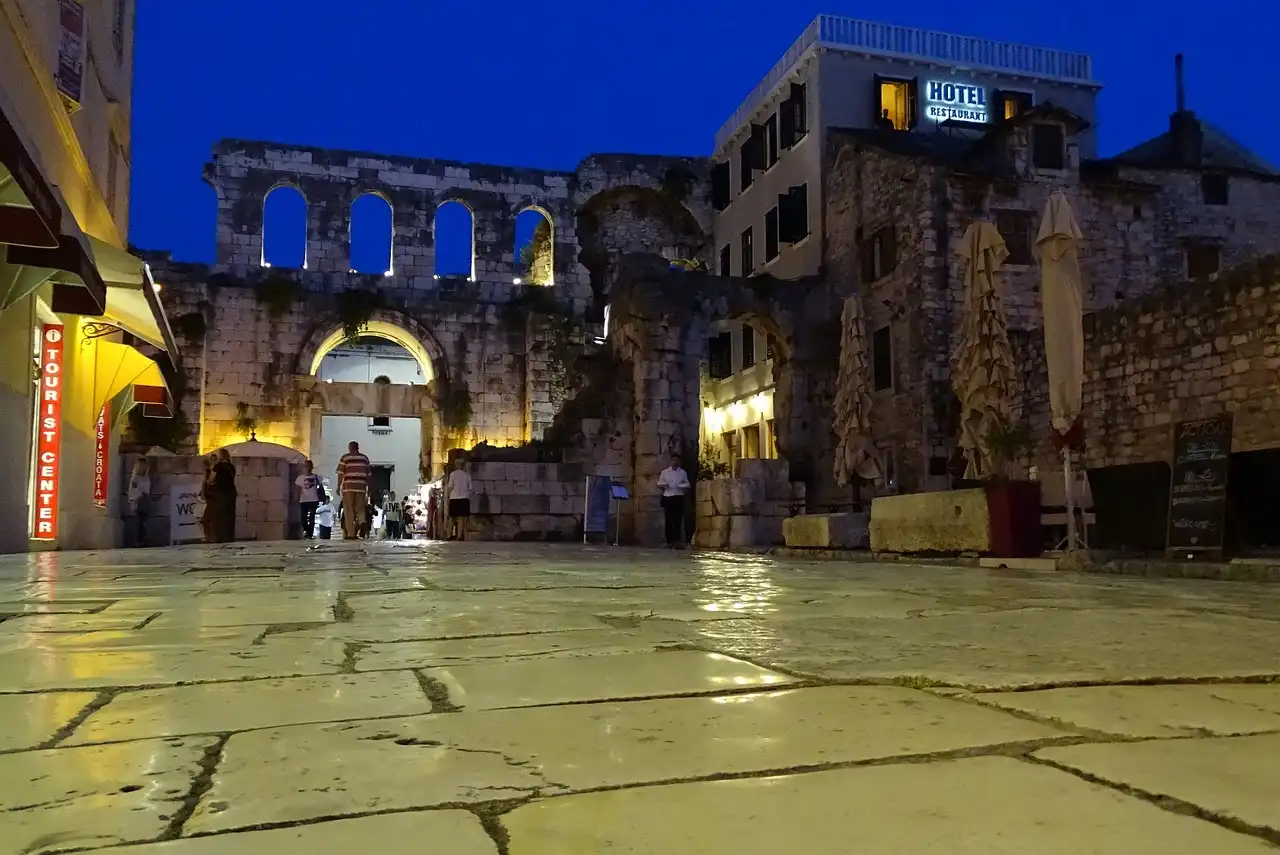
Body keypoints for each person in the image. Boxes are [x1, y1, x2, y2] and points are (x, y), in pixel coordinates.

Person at [336, 441, 371, 539]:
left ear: (349, 448)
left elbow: (340, 473)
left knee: (348, 510)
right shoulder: (364, 458)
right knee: (360, 508)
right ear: (358, 448)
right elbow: (369, 475)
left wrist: (338, 487)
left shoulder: (345, 458)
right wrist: (370, 489)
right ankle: (362, 521)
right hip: (361, 487)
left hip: (348, 488)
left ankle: (351, 533)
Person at [203, 449, 237, 543]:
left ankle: (215, 538)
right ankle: (228, 537)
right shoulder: (231, 467)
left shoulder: (218, 466)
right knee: (228, 517)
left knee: (215, 517)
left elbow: (211, 480)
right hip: (230, 494)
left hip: (219, 495)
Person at [658, 452, 691, 548]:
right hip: (668, 496)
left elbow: (687, 484)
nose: (675, 462)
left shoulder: (682, 473)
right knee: (668, 519)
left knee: (677, 519)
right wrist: (664, 486)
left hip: (678, 496)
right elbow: (659, 483)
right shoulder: (665, 472)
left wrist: (684, 487)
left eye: (677, 460)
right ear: (671, 461)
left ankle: (677, 541)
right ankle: (669, 541)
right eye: (673, 460)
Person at [295, 459, 323, 539]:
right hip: (304, 500)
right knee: (303, 518)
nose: (307, 468)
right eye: (306, 466)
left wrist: (322, 497)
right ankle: (306, 530)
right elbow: (298, 489)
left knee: (312, 517)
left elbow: (320, 488)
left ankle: (309, 534)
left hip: (314, 500)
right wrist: (297, 498)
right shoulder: (300, 478)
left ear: (312, 467)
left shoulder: (317, 477)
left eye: (309, 466)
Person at [126, 458, 151, 547]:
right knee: (140, 521)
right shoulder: (135, 477)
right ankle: (139, 540)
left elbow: (147, 488)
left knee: (144, 520)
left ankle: (142, 539)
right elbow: (133, 489)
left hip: (145, 499)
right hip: (139, 499)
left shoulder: (146, 477)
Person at [446, 459, 472, 541]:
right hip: (464, 498)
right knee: (461, 518)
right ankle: (459, 536)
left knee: (452, 518)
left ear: (456, 465)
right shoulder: (467, 475)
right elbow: (470, 488)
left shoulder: (453, 474)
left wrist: (447, 498)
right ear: (463, 465)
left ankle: (449, 535)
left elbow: (450, 487)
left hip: (454, 498)